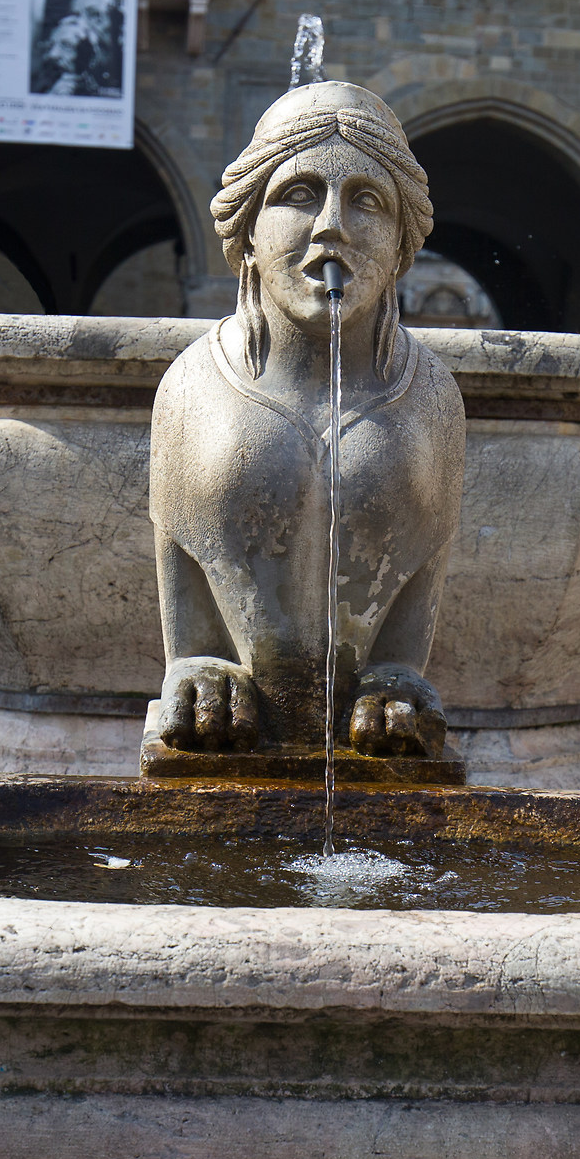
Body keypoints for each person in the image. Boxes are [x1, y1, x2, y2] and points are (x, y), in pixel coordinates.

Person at [144, 82, 464, 766]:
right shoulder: (192, 385)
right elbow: (183, 561)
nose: (331, 225)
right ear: (249, 230)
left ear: (403, 245)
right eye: (298, 194)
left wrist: (397, 675)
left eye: (367, 201)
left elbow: (423, 564)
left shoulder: (431, 393)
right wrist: (196, 663)